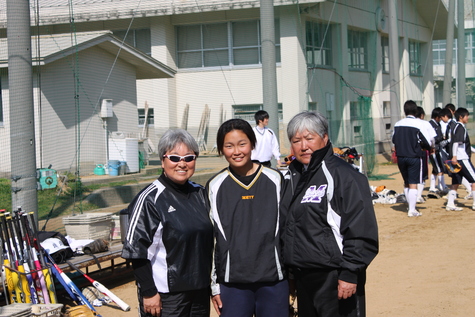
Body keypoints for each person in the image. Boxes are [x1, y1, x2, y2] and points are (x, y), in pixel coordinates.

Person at [281, 111, 378, 317]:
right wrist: (290, 273)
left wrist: (350, 273)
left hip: (335, 276)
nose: (303, 146)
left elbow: (361, 227)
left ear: (324, 138)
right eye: (296, 140)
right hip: (303, 275)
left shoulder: (345, 175)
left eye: (309, 138)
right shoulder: (291, 177)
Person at [122, 129, 214, 317]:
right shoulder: (150, 199)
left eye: (189, 158)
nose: (182, 164)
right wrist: (149, 292)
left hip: (199, 289)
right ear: (163, 161)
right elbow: (137, 252)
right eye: (174, 158)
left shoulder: (201, 194)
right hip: (166, 295)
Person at [207, 118, 288, 317]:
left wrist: (292, 276)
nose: (236, 151)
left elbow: (288, 229)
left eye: (242, 144)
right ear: (221, 149)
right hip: (232, 282)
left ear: (252, 144)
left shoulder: (275, 179)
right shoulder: (215, 186)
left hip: (274, 279)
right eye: (229, 146)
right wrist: (214, 286)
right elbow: (211, 239)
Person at [392, 100, 433, 217]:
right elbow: (426, 140)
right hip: (414, 156)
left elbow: (394, 140)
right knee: (413, 183)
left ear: (404, 111)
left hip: (401, 157)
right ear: (415, 111)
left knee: (406, 182)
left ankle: (410, 205)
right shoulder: (419, 124)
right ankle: (412, 209)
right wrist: (426, 148)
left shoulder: (398, 124)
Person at [445, 108, 475, 211]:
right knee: (474, 180)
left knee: (455, 182)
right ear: (461, 117)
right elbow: (456, 143)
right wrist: (454, 157)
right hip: (462, 159)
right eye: (466, 116)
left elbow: (460, 144)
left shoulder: (456, 127)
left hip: (458, 158)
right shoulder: (460, 127)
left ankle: (450, 203)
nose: (468, 117)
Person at [415, 106, 436, 203]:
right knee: (422, 174)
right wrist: (432, 147)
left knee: (411, 175)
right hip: (422, 150)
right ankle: (418, 195)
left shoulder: (408, 123)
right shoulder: (426, 123)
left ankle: (411, 194)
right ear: (422, 115)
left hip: (409, 151)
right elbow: (432, 138)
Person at [427, 107, 447, 197]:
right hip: (434, 150)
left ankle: (432, 187)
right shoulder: (431, 124)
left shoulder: (437, 124)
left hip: (438, 149)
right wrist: (441, 138)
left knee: (435, 169)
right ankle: (442, 186)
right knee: (439, 169)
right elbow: (432, 138)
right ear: (437, 116)